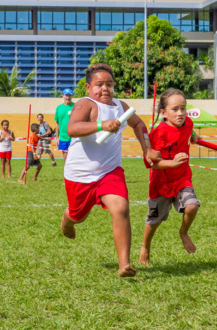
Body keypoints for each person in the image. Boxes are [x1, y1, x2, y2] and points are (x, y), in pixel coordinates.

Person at [61, 63, 160, 277]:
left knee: (121, 208)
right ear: (88, 87)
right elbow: (71, 128)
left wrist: (147, 149)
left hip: (110, 171)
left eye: (109, 84)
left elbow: (139, 124)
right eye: (99, 84)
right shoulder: (84, 104)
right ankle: (68, 220)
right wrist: (100, 125)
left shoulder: (121, 106)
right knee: (78, 215)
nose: (105, 88)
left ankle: (124, 264)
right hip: (80, 174)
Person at [138, 88, 202, 266]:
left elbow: (189, 130)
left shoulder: (188, 123)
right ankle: (145, 246)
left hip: (182, 179)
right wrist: (172, 163)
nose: (180, 113)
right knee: (154, 220)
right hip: (161, 183)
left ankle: (183, 232)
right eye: (175, 109)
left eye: (183, 108)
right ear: (163, 113)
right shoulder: (158, 134)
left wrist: (195, 136)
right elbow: (151, 163)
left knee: (192, 206)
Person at [54, 88, 75, 162]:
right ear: (63, 96)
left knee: (73, 156)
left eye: (69, 95)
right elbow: (57, 124)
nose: (68, 97)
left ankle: (74, 172)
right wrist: (57, 138)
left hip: (73, 137)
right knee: (65, 156)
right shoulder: (59, 108)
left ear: (72, 96)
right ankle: (67, 172)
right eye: (66, 95)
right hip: (62, 137)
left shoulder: (76, 106)